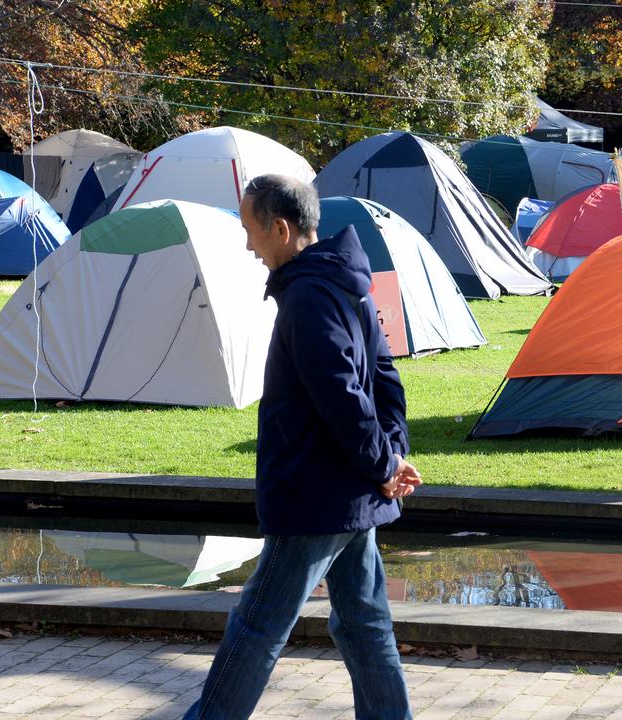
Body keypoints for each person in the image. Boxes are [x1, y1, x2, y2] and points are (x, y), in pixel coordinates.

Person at [184, 174, 421, 720]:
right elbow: (384, 378)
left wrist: (386, 461)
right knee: (362, 625)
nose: (247, 244)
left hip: (316, 495)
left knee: (258, 624)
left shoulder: (309, 296)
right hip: (350, 491)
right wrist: (388, 457)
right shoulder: (343, 283)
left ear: (281, 228)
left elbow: (343, 394)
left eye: (250, 229)